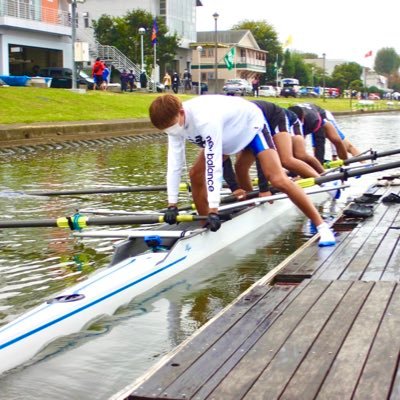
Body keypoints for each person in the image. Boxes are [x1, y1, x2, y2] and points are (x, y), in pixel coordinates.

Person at [148, 94, 336, 247]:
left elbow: (214, 166)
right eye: (167, 130)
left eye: (172, 126)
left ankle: (321, 226)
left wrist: (215, 208)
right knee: (195, 175)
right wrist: (171, 203)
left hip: (251, 126)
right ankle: (204, 224)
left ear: (181, 113)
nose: (171, 132)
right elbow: (174, 164)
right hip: (227, 137)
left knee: (278, 179)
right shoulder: (173, 123)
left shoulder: (205, 119)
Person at [288, 103, 360, 163]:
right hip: (305, 117)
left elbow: (319, 143)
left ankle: (347, 162)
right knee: (298, 145)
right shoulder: (286, 120)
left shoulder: (313, 120)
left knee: (337, 140)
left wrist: (320, 161)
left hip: (320, 117)